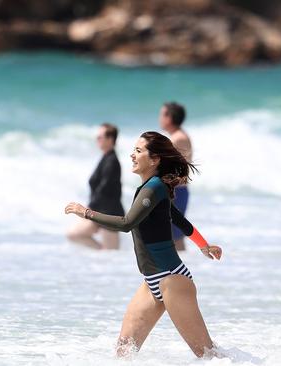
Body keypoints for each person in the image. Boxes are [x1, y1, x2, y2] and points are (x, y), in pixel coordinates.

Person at [65, 131, 222, 358]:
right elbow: (180, 221)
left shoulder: (154, 187)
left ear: (155, 159)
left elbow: (127, 223)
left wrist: (86, 212)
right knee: (124, 351)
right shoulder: (153, 188)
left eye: (138, 151)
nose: (132, 155)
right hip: (152, 282)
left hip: (172, 279)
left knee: (208, 355)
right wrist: (204, 245)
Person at [66, 123, 124, 250]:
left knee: (112, 256)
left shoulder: (112, 161)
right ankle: (101, 251)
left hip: (110, 215)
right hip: (99, 212)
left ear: (110, 139)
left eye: (100, 137)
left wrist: (88, 208)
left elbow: (104, 189)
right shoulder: (105, 158)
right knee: (73, 234)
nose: (97, 140)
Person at [159, 102, 192, 251]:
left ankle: (182, 273)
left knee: (175, 238)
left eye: (162, 114)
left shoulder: (178, 138)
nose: (159, 118)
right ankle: (181, 272)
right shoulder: (178, 136)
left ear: (169, 118)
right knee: (174, 237)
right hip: (176, 192)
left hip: (176, 192)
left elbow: (173, 169)